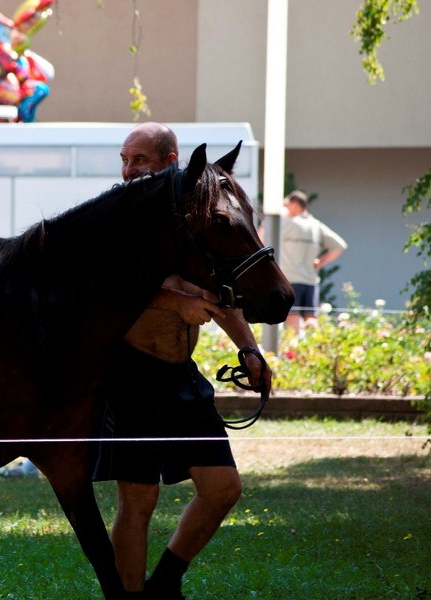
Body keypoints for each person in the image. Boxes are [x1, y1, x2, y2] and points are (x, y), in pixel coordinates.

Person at [92, 122, 271, 598]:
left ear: (171, 162)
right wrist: (178, 304)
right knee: (139, 499)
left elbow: (222, 293)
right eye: (125, 160)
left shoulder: (192, 221)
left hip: (179, 374)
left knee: (222, 489)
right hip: (128, 372)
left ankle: (165, 583)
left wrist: (249, 349)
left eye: (140, 161)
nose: (129, 170)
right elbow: (111, 288)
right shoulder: (119, 215)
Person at [279, 190, 347, 334]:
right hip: (310, 280)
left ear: (295, 205)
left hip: (290, 280)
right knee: (311, 319)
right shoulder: (316, 225)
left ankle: (295, 353)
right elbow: (340, 246)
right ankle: (315, 349)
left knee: (292, 323)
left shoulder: (287, 224)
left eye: (287, 204)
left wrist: (276, 218)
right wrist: (320, 262)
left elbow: (262, 237)